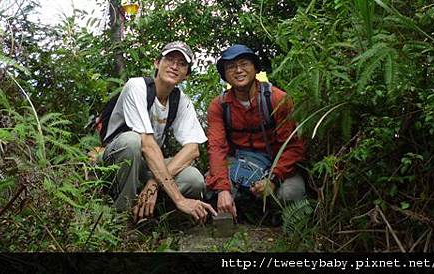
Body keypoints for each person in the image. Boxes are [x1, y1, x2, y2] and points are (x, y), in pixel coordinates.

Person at [102, 41, 216, 223]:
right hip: (115, 162)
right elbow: (146, 145)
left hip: (146, 167)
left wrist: (154, 182)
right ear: (157, 63)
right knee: (133, 141)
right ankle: (121, 218)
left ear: (186, 74)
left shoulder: (181, 101)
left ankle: (153, 214)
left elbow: (192, 149)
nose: (174, 66)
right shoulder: (137, 87)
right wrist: (179, 198)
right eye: (169, 59)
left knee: (194, 179)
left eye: (182, 63)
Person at [205, 44, 306, 219]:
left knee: (291, 194)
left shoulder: (277, 99)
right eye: (231, 67)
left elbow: (293, 146)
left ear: (255, 68)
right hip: (237, 162)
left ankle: (278, 222)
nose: (238, 70)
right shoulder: (219, 106)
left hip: (276, 164)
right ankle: (243, 209)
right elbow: (216, 147)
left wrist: (273, 180)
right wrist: (222, 188)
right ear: (225, 75)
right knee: (209, 188)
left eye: (244, 64)